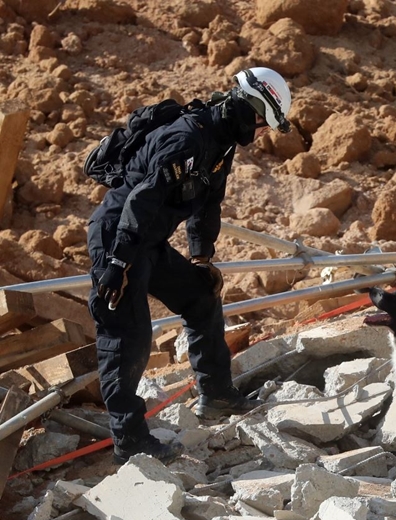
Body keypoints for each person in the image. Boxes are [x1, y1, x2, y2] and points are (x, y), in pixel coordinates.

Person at [86, 67, 292, 464]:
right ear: (247, 107)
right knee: (127, 335)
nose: (263, 133)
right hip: (119, 236)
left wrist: (201, 258)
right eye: (262, 123)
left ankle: (215, 395)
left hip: (147, 239)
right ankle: (129, 441)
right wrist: (116, 262)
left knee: (201, 295)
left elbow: (207, 204)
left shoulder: (221, 143)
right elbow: (140, 202)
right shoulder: (186, 138)